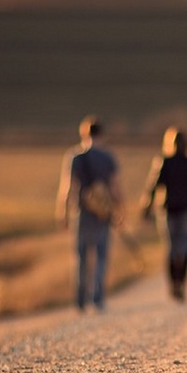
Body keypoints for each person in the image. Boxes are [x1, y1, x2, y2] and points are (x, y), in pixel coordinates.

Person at [56, 116, 123, 312]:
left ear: (83, 134)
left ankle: (80, 301)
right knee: (101, 256)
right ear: (101, 134)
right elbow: (115, 187)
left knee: (81, 258)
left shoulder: (75, 157)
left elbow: (68, 187)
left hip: (81, 213)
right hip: (102, 214)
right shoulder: (108, 157)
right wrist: (119, 211)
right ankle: (97, 298)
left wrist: (62, 212)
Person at [142, 127, 187, 302]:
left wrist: (147, 206)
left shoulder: (165, 162)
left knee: (171, 248)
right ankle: (182, 284)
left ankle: (173, 284)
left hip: (169, 210)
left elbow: (154, 186)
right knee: (186, 246)